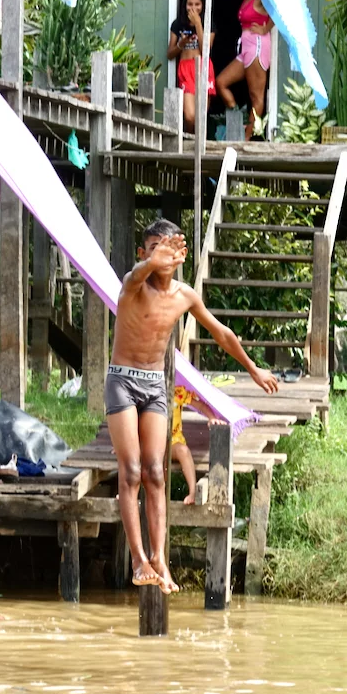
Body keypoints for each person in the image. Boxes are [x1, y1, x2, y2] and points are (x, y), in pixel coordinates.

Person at [106, 219, 278, 594]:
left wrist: (253, 368)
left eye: (169, 250)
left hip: (155, 386)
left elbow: (221, 333)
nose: (161, 256)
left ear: (181, 256)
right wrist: (152, 262)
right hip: (122, 382)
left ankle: (159, 560)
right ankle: (138, 560)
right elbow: (137, 274)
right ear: (143, 253)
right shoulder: (133, 285)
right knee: (131, 470)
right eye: (153, 249)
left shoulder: (184, 296)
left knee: (155, 472)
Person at [215, 0, 274, 140]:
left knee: (256, 97)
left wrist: (265, 28)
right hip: (246, 47)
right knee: (221, 82)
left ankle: (246, 139)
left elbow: (278, 10)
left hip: (257, 46)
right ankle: (238, 121)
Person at [167, 0, 215, 135]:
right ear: (185, 5)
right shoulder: (178, 24)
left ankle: (197, 143)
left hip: (203, 67)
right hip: (186, 69)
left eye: (197, 4)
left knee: (201, 115)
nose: (193, 8)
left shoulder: (209, 24)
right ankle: (189, 138)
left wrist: (199, 24)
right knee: (189, 116)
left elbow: (206, 50)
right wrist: (181, 44)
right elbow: (169, 54)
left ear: (203, 6)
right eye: (190, 4)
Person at [170, 386, 225, 505]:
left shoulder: (177, 391)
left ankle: (193, 491)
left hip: (173, 441)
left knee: (183, 451)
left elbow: (200, 405)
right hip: (152, 443)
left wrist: (211, 418)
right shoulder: (146, 390)